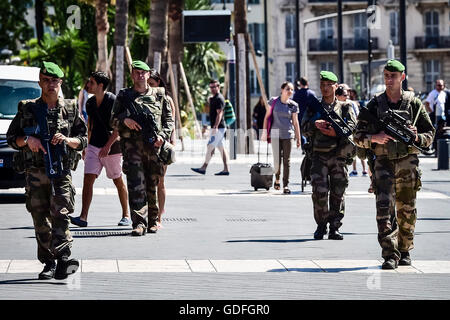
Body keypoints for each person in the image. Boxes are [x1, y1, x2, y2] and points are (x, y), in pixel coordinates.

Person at [6, 61, 87, 280]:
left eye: (55, 80)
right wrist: (28, 140)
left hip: (60, 171)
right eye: (46, 80)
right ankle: (49, 263)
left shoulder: (70, 109)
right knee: (40, 218)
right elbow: (12, 138)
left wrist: (68, 140)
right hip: (35, 172)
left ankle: (64, 258)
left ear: (60, 82)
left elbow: (83, 139)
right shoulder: (27, 108)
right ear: (40, 82)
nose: (51, 85)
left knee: (60, 215)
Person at [354, 59, 435, 269]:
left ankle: (405, 250)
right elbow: (357, 135)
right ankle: (390, 254)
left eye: (393, 76)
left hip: (408, 165)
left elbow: (430, 133)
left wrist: (417, 138)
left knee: (407, 210)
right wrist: (375, 138)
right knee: (384, 211)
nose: (389, 80)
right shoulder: (374, 105)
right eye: (386, 76)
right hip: (383, 164)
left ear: (402, 77)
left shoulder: (414, 104)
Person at [111, 60, 174, 236]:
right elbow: (112, 120)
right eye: (136, 72)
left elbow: (169, 121)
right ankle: (138, 223)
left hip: (153, 147)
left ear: (148, 74)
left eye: (143, 72)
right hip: (132, 148)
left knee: (152, 184)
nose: (140, 75)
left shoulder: (160, 95)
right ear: (132, 75)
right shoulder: (124, 96)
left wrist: (163, 136)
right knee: (135, 185)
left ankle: (153, 220)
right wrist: (125, 120)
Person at [301, 71, 357, 241]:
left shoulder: (346, 108)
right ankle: (321, 225)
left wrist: (335, 131)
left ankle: (334, 227)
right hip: (319, 156)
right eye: (322, 85)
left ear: (336, 86)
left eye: (328, 85)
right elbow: (304, 128)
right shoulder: (314, 107)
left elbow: (353, 128)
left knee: (338, 192)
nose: (325, 88)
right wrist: (314, 124)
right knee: (319, 192)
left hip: (339, 156)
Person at [70, 71, 130, 228]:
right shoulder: (89, 103)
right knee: (88, 180)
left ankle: (126, 215)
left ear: (100, 85)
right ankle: (83, 217)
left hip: (112, 147)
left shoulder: (112, 100)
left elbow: (119, 127)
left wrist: (107, 146)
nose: (88, 85)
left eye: (91, 82)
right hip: (93, 146)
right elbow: (90, 125)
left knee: (117, 180)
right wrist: (86, 146)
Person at [148, 69, 176, 230]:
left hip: (161, 144)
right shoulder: (141, 97)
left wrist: (171, 142)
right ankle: (147, 215)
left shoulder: (166, 99)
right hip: (145, 145)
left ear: (158, 83)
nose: (149, 86)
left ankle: (158, 218)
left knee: (160, 181)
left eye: (152, 84)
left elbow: (170, 123)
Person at [261, 81, 301, 194]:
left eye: (292, 89)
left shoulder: (293, 105)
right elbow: (267, 117)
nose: (290, 91)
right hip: (274, 134)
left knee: (287, 161)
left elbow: (295, 122)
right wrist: (264, 132)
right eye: (288, 89)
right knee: (277, 160)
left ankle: (286, 185)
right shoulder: (273, 101)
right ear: (282, 90)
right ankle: (277, 179)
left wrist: (298, 138)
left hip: (288, 135)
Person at [191, 80, 230, 176]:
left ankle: (204, 167)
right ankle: (226, 169)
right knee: (220, 148)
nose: (212, 89)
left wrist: (215, 127)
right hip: (217, 127)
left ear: (218, 87)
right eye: (211, 87)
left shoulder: (219, 98)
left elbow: (220, 113)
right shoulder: (214, 98)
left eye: (214, 87)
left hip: (218, 127)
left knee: (210, 147)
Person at [336, 85, 368, 177]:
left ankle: (363, 169)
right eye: (345, 95)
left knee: (356, 149)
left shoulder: (351, 104)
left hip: (352, 131)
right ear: (338, 96)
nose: (347, 97)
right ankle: (353, 170)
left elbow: (357, 116)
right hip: (339, 134)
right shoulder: (333, 105)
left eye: (348, 94)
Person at [292, 77, 317, 151]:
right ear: (307, 83)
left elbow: (293, 104)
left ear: (300, 84)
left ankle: (304, 147)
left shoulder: (297, 93)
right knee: (309, 132)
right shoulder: (312, 93)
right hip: (310, 116)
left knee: (301, 132)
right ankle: (309, 146)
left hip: (300, 116)